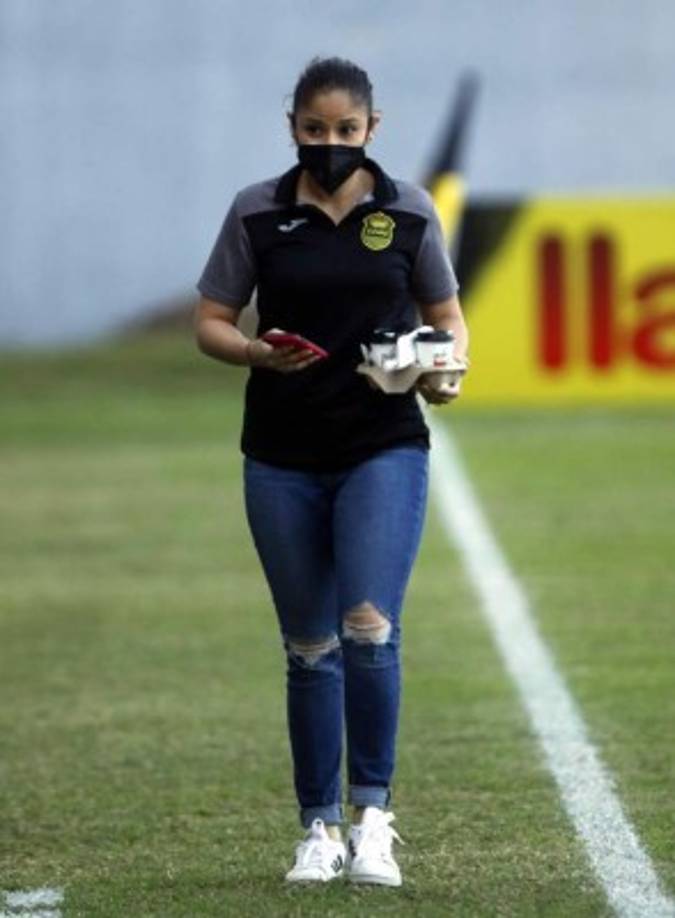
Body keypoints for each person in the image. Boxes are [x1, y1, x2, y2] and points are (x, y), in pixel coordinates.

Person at [194, 56, 469, 887]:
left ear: (371, 130)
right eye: (313, 130)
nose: (329, 145)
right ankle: (317, 830)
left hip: (382, 443)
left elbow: (446, 318)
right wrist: (251, 351)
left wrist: (443, 372)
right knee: (308, 647)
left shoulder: (408, 212)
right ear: (293, 128)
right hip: (279, 455)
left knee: (367, 627)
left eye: (345, 131)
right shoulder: (255, 212)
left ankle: (373, 818)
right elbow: (210, 318)